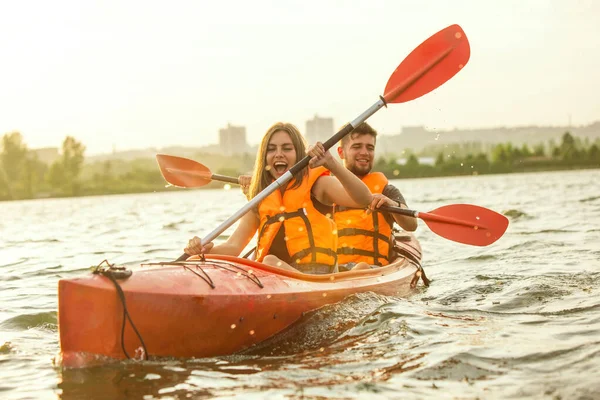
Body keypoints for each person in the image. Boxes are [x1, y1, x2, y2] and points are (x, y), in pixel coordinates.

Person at [184, 122, 373, 274]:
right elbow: (233, 247)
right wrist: (205, 250)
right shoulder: (261, 198)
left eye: (287, 148)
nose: (279, 154)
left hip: (316, 277)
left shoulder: (317, 185)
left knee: (269, 261)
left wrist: (331, 163)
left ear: (299, 154)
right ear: (264, 157)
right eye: (271, 149)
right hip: (271, 276)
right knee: (265, 263)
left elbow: (364, 199)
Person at [334, 122, 417, 271]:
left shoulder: (386, 190)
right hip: (333, 271)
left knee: (362, 268)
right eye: (357, 146)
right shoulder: (327, 189)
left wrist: (390, 204)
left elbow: (411, 225)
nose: (365, 152)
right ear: (341, 152)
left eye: (370, 148)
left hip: (373, 270)